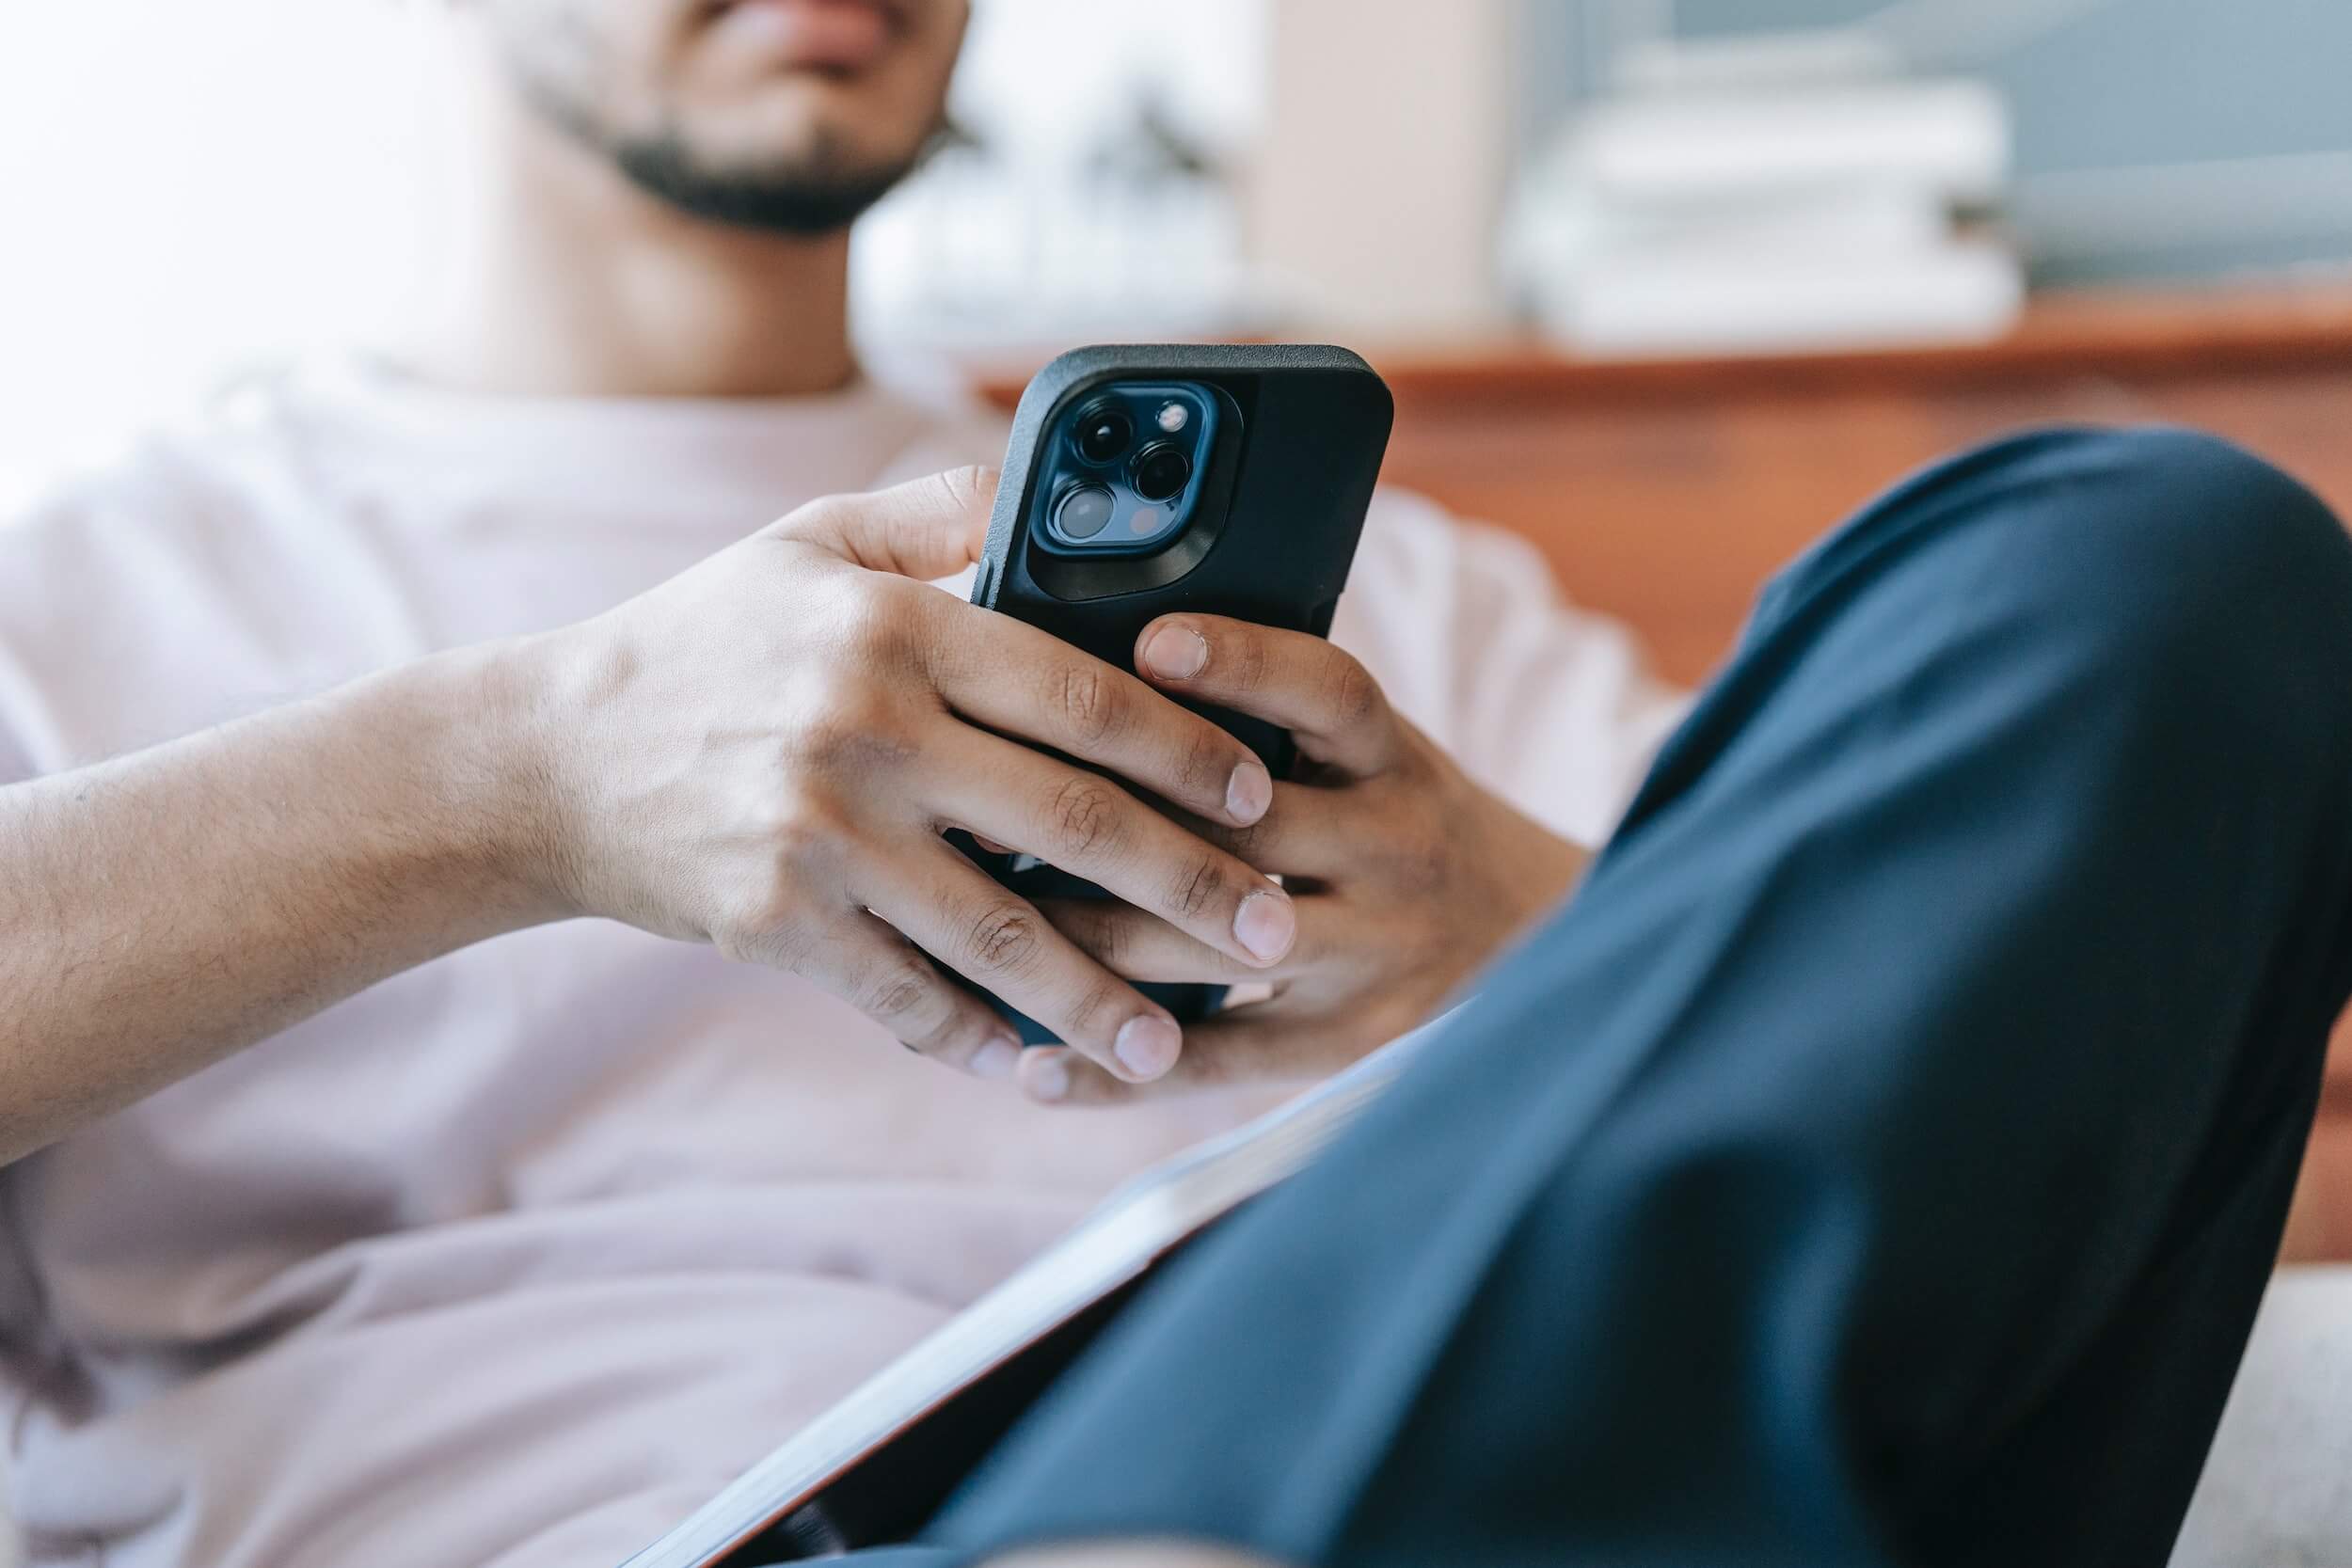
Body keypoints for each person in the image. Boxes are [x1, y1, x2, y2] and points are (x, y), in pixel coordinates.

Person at [0, 10, 2342, 1568]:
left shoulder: (1359, 585)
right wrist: (528, 776)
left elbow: (1936, 1050)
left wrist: (1517, 932)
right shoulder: (98, 600)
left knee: (2152, 561)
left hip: (1388, 1462)